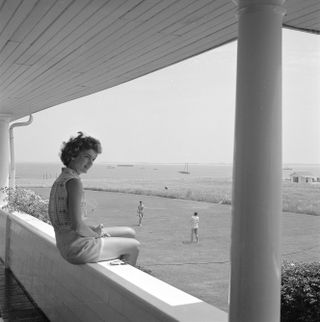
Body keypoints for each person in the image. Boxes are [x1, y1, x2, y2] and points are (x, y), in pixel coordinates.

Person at [48, 132, 140, 265]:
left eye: (93, 159)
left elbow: (67, 222)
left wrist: (92, 230)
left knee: (129, 232)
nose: (90, 163)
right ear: (72, 155)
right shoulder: (74, 182)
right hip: (78, 248)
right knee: (134, 246)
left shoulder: (61, 180)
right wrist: (96, 235)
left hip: (66, 245)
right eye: (87, 157)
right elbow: (77, 226)